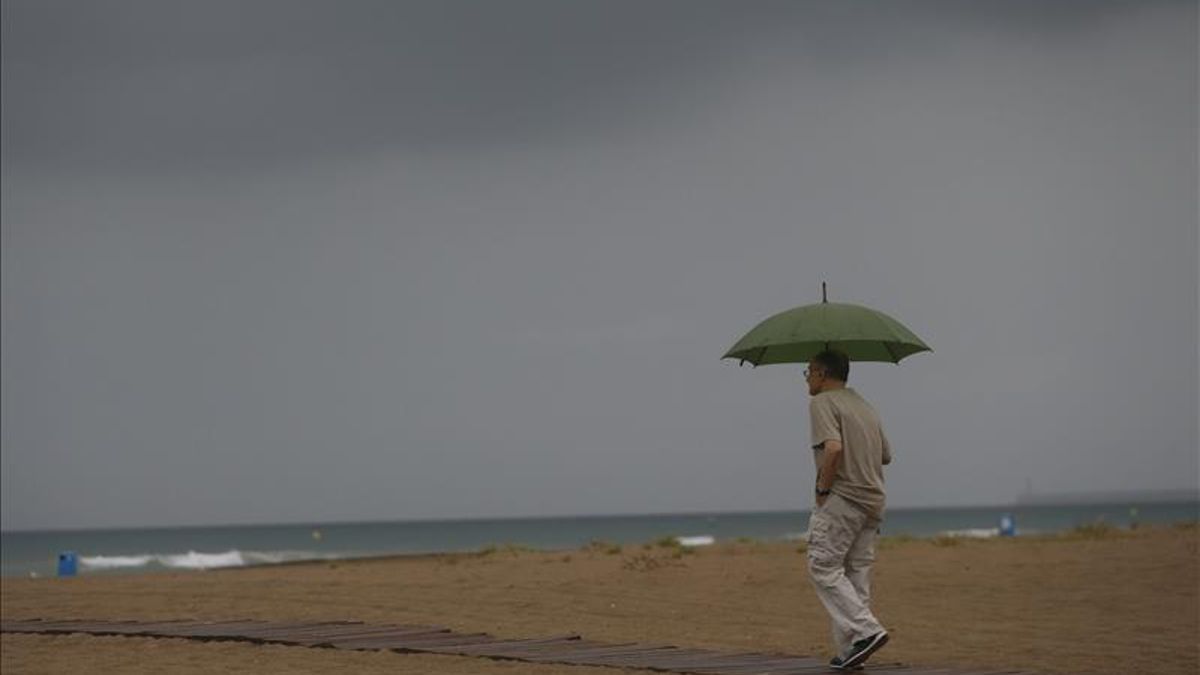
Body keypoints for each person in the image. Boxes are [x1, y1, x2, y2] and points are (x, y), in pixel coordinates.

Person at [804, 349, 891, 670]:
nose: (807, 379)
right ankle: (851, 650)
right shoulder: (865, 406)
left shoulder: (822, 402)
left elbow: (833, 448)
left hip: (844, 498)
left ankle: (866, 631)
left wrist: (822, 489)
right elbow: (886, 455)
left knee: (822, 567)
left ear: (822, 373)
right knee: (856, 574)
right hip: (873, 501)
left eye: (809, 372)